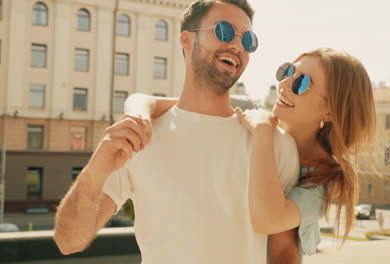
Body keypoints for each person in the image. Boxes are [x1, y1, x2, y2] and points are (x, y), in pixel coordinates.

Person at [54, 1, 300, 264]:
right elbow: (69, 242)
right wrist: (94, 173)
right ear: (187, 40)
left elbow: (284, 252)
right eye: (225, 31)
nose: (238, 46)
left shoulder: (274, 143)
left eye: (248, 40)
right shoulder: (138, 136)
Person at [129, 48, 376, 261]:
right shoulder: (245, 110)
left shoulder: (324, 177)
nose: (285, 84)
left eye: (302, 83)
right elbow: (145, 101)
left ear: (331, 112)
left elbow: (267, 221)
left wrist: (262, 133)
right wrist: (138, 118)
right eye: (288, 71)